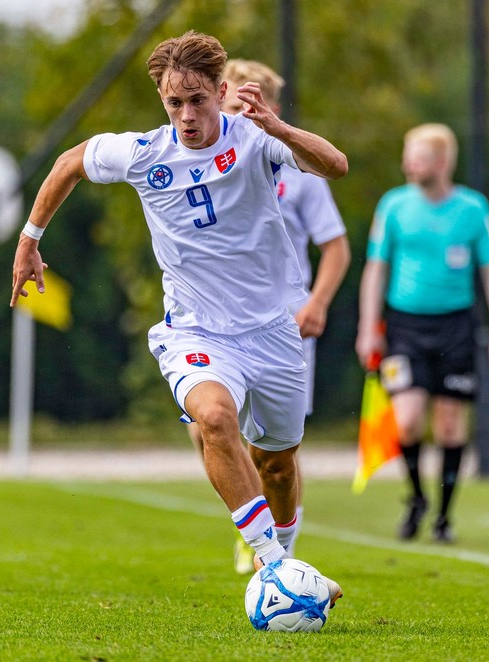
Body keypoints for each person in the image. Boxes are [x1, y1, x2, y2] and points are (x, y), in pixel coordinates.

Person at [10, 31, 346, 604]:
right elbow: (69, 162)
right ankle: (273, 566)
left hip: (272, 331)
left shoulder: (255, 139)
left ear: (220, 92)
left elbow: (335, 165)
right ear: (163, 100)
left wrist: (278, 127)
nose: (187, 115)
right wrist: (29, 239)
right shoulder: (145, 153)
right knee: (214, 418)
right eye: (174, 102)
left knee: (279, 465)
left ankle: (284, 562)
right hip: (194, 329)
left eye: (198, 100)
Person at [183, 58, 350, 574]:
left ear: (267, 109)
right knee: (210, 425)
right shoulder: (198, 160)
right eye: (224, 106)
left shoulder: (294, 171)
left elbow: (336, 246)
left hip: (283, 321)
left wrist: (317, 303)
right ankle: (255, 532)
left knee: (275, 453)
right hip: (213, 322)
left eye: (239, 107)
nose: (227, 117)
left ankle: (280, 545)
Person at [355, 123, 489, 543]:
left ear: (442, 163)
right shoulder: (393, 206)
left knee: (448, 425)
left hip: (456, 327)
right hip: (404, 326)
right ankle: (416, 498)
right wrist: (368, 327)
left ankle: (443, 516)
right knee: (406, 422)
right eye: (408, 154)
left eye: (418, 156)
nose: (409, 163)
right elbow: (376, 268)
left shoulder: (474, 209)